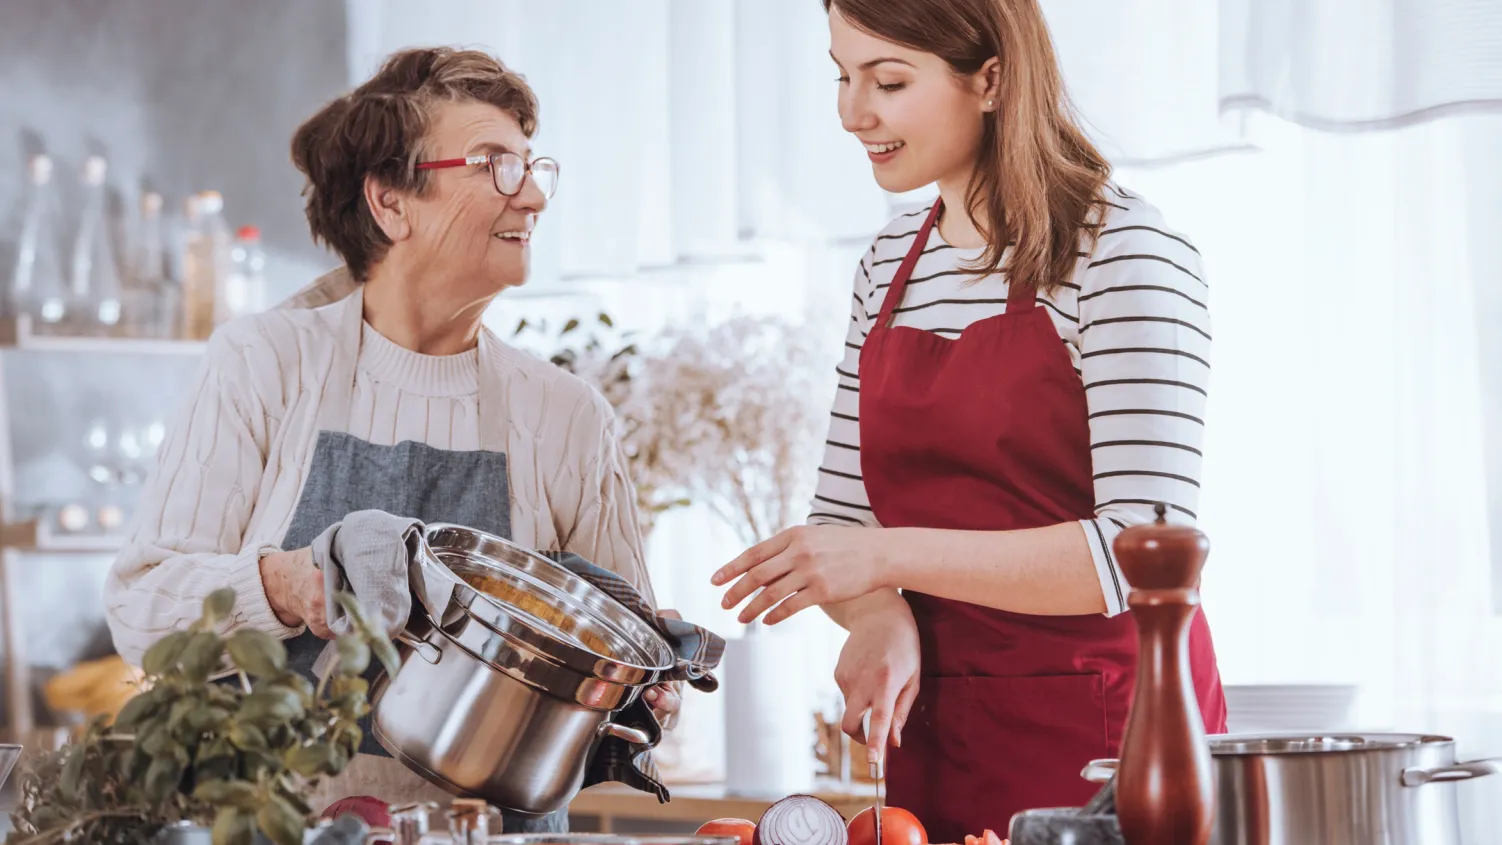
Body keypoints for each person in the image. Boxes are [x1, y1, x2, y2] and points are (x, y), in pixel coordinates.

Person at [103, 47, 679, 829]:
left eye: (532, 165)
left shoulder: (566, 414)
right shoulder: (266, 364)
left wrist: (643, 689)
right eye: (494, 165)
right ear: (390, 202)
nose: (535, 193)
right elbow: (140, 610)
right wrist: (286, 583)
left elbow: (624, 669)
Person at [711, 0, 1227, 836]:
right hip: (939, 739)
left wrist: (884, 557)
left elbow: (1140, 557)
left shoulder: (1124, 252)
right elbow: (845, 519)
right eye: (843, 77)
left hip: (1108, 747)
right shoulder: (887, 266)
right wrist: (879, 616)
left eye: (888, 80)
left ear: (990, 79)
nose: (853, 112)